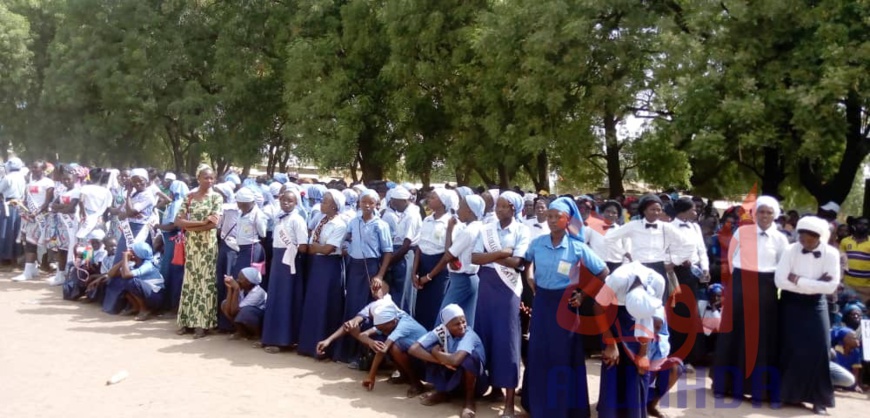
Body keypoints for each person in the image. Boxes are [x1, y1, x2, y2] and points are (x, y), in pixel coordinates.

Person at [521, 196, 610, 418]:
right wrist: (530, 275)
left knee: (562, 355)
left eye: (556, 217)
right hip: (542, 303)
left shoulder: (577, 246)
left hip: (566, 306)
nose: (551, 220)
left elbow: (603, 271)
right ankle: (538, 405)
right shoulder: (538, 243)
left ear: (567, 220)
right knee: (539, 352)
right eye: (549, 216)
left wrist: (583, 294)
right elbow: (526, 261)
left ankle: (564, 408)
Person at [713, 195, 788, 406]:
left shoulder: (780, 239)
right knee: (734, 333)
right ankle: (723, 385)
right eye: (761, 211)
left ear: (775, 215)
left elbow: (782, 265)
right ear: (755, 213)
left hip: (766, 288)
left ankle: (757, 389)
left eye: (769, 212)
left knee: (760, 338)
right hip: (740, 284)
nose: (764, 216)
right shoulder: (742, 232)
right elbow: (731, 258)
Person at [471, 191, 529, 417]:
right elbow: (474, 258)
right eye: (498, 206)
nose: (498, 209)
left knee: (507, 342)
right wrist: (502, 252)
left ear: (513, 208)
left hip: (507, 292)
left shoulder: (522, 231)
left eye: (503, 206)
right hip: (486, 288)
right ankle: (493, 388)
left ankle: (508, 402)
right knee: (486, 336)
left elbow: (517, 262)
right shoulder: (487, 228)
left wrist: (491, 256)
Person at [774, 216, 840, 415]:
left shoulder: (832, 254)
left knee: (820, 348)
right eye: (802, 236)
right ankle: (783, 394)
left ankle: (819, 399)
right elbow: (780, 281)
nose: (804, 240)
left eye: (810, 237)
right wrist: (813, 282)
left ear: (819, 237)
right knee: (788, 348)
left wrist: (798, 280)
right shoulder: (790, 249)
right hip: (790, 303)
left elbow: (831, 286)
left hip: (816, 304)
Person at [594, 261, 665, 418]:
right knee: (612, 366)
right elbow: (598, 306)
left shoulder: (659, 282)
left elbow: (654, 322)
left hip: (645, 323)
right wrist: (610, 343)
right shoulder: (617, 279)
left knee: (638, 370)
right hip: (612, 314)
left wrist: (643, 353)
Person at [338, 190, 393, 365]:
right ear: (359, 203)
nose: (367, 206)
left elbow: (387, 252)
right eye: (364, 202)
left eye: (371, 203)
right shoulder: (353, 222)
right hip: (355, 266)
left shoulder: (380, 225)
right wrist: (346, 246)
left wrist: (380, 275)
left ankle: (363, 355)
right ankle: (346, 352)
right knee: (352, 306)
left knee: (367, 310)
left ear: (377, 205)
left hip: (371, 266)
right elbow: (346, 238)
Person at [604, 194, 689, 304]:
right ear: (644, 210)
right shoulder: (633, 225)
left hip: (658, 267)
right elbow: (608, 239)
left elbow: (688, 244)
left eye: (659, 210)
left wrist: (675, 262)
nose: (656, 212)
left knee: (658, 304)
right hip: (638, 267)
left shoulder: (666, 227)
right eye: (652, 209)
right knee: (637, 302)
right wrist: (624, 253)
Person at [409, 304, 488, 418]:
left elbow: (455, 361)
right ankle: (443, 392)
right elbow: (413, 349)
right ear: (446, 325)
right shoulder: (441, 331)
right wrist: (440, 360)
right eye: (457, 324)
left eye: (464, 322)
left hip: (477, 384)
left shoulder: (469, 335)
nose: (462, 326)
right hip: (453, 373)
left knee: (470, 359)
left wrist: (436, 353)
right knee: (428, 349)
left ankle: (469, 401)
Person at [297, 189, 347, 359]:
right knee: (314, 304)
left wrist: (318, 248)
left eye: (326, 201)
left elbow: (327, 249)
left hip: (329, 267)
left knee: (326, 305)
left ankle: (325, 348)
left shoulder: (340, 224)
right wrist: (318, 247)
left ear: (335, 206)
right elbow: (312, 246)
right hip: (317, 266)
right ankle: (308, 344)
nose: (322, 204)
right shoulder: (321, 220)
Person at [175, 165, 223, 339]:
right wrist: (200, 223)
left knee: (205, 283)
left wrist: (191, 224)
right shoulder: (189, 197)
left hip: (208, 247)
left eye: (211, 178)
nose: (209, 181)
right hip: (192, 246)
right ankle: (186, 321)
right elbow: (177, 221)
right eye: (205, 177)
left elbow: (213, 224)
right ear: (198, 179)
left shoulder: (217, 198)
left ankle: (203, 324)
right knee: (190, 282)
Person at [260, 189, 309, 353]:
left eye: (290, 201)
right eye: (284, 200)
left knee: (286, 299)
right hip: (278, 261)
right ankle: (270, 337)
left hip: (290, 263)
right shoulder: (279, 218)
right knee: (275, 298)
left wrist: (291, 251)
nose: (286, 203)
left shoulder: (298, 220)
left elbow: (302, 246)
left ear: (296, 203)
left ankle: (284, 340)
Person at [666, 197, 709, 370]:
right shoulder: (669, 228)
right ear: (683, 210)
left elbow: (701, 250)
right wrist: (678, 261)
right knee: (678, 313)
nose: (696, 212)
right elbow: (666, 252)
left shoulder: (695, 227)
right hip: (676, 274)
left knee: (692, 315)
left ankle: (691, 356)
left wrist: (704, 268)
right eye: (693, 209)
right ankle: (676, 356)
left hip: (693, 274)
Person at [359, 299, 429, 397]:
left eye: (383, 329)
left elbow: (383, 349)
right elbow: (362, 335)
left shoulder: (403, 325)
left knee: (394, 346)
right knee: (388, 345)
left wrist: (371, 376)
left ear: (393, 322)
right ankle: (404, 376)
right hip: (412, 354)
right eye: (380, 329)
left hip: (425, 360)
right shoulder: (388, 321)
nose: (382, 331)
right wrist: (371, 342)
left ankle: (416, 383)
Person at [413, 189, 455, 329]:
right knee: (421, 308)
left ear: (443, 202)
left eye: (433, 197)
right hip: (423, 265)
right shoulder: (427, 219)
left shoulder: (450, 222)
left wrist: (429, 276)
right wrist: (414, 272)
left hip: (439, 268)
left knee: (435, 307)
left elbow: (447, 254)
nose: (429, 199)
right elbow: (420, 246)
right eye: (429, 196)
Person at [13, 160, 53, 282]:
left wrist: (37, 212)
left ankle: (53, 270)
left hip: (42, 218)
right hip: (30, 217)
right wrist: (20, 204)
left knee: (44, 245)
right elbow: (26, 199)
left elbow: (47, 202)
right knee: (29, 243)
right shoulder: (30, 183)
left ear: (43, 169)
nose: (33, 169)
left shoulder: (48, 183)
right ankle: (30, 270)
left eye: (36, 167)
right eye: (32, 167)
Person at [156, 179, 189, 313]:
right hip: (171, 240)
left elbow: (173, 225)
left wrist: (158, 226)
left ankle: (170, 304)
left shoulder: (178, 204)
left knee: (171, 272)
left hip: (173, 241)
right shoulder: (175, 203)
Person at [647, 306, 687, 418]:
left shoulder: (660, 309)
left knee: (676, 366)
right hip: (637, 356)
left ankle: (651, 405)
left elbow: (663, 336)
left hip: (655, 355)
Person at [112, 168, 157, 266]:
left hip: (139, 230)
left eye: (140, 181)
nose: (137, 184)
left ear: (146, 180)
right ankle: (116, 280)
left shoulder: (148, 196)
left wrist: (128, 200)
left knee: (133, 257)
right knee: (121, 255)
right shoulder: (133, 194)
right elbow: (121, 214)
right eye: (134, 181)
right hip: (129, 228)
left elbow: (131, 212)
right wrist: (129, 211)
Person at [388, 186, 421, 310]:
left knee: (404, 293)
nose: (394, 205)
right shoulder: (404, 213)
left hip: (405, 256)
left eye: (395, 203)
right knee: (397, 291)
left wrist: (390, 261)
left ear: (403, 201)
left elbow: (406, 244)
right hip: (399, 254)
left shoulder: (411, 215)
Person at [49, 169, 81, 286]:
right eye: (64, 179)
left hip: (71, 225)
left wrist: (60, 207)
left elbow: (71, 208)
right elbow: (53, 206)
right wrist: (64, 207)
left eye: (69, 179)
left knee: (72, 250)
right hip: (61, 225)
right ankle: (60, 274)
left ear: (75, 180)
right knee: (61, 250)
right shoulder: (62, 192)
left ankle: (69, 275)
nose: (66, 181)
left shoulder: (77, 192)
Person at [117, 242, 165, 321]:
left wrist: (125, 257)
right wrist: (123, 261)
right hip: (148, 294)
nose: (129, 252)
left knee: (132, 281)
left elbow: (126, 275)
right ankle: (135, 307)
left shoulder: (148, 265)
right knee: (121, 281)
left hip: (156, 297)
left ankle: (144, 310)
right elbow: (111, 274)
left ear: (138, 254)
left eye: (132, 251)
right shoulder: (134, 264)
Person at [221, 267, 268, 340]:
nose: (237, 280)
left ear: (248, 282)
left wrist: (236, 289)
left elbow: (234, 311)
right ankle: (243, 333)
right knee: (224, 304)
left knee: (246, 312)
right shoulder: (243, 288)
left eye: (240, 279)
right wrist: (230, 288)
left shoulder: (258, 293)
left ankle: (258, 336)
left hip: (260, 318)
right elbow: (229, 309)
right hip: (244, 313)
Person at [0, 157, 26, 267]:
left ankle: (5, 257)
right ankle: (15, 257)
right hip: (19, 206)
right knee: (16, 231)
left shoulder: (8, 177)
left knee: (5, 231)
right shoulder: (22, 178)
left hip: (8, 206)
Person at [840, 216, 870, 305]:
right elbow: (840, 262)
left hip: (866, 287)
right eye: (860, 223)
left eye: (866, 225)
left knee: (864, 314)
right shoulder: (845, 241)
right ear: (855, 225)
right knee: (846, 311)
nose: (862, 226)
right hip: (847, 285)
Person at [830, 326, 864, 393]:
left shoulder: (856, 352)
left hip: (846, 380)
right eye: (854, 338)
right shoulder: (834, 351)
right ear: (845, 340)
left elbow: (855, 371)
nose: (858, 340)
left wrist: (855, 385)